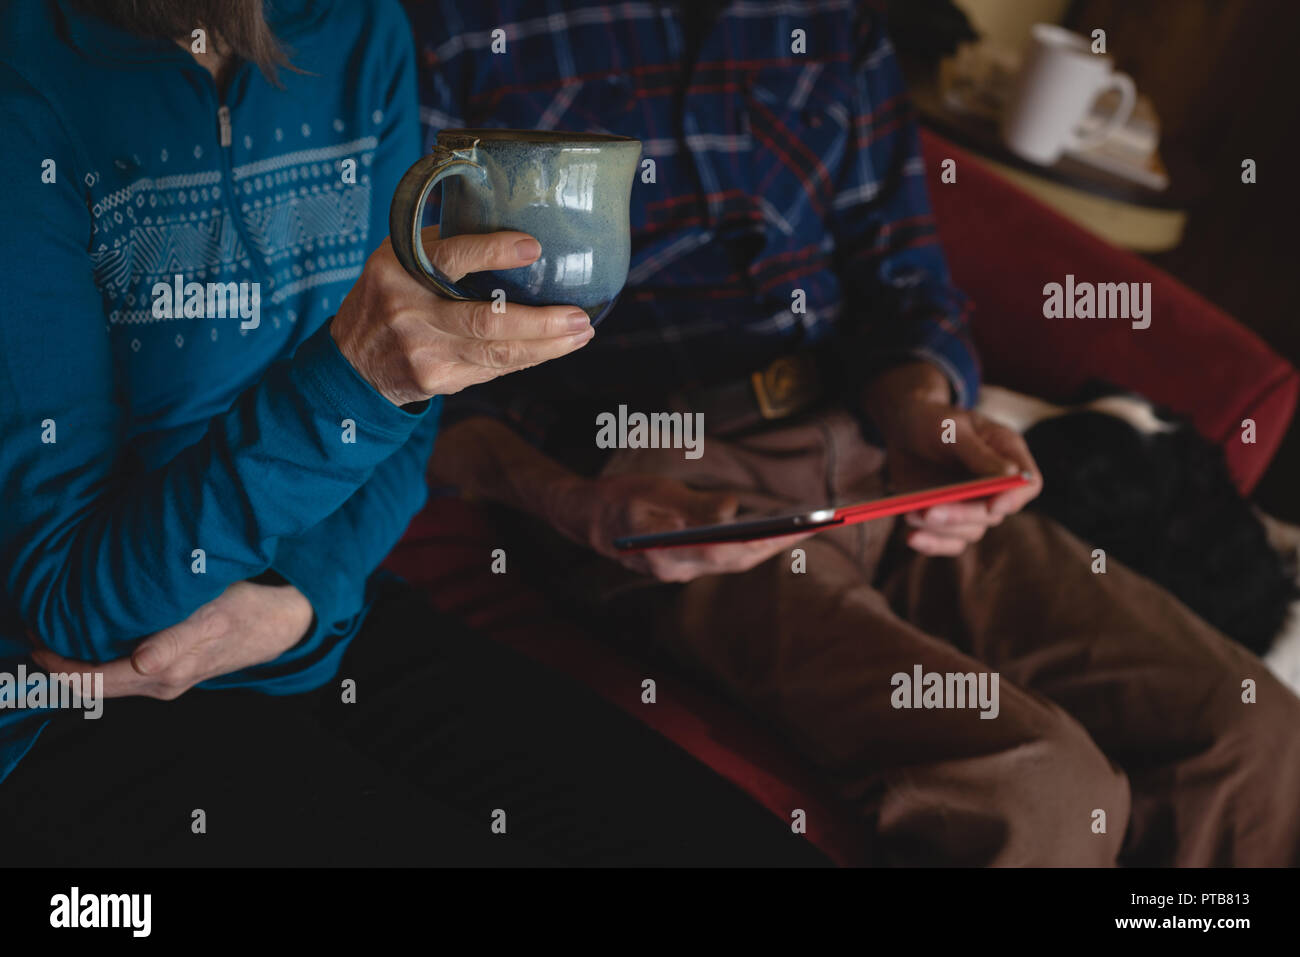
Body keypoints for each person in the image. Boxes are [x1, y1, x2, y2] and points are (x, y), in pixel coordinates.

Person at [408, 0, 1300, 865]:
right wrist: (572, 501)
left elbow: (907, 283)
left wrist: (925, 411)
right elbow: (402, 360)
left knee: (1253, 730)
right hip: (653, 482)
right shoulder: (455, 27)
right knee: (1042, 791)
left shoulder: (830, 21)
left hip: (873, 447)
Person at [0, 0, 818, 866]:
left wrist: (308, 596)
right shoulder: (26, 79)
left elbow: (406, 430)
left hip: (316, 606)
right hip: (74, 697)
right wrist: (360, 378)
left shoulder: (359, 32)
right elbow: (72, 606)